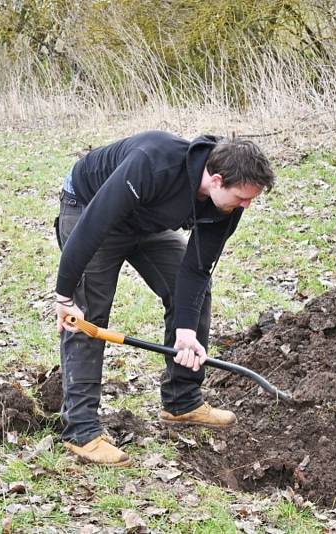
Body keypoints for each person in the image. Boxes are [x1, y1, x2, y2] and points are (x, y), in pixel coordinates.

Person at [53, 130, 275, 466]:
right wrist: (64, 294)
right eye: (242, 198)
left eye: (251, 199)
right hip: (89, 205)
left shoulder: (227, 201)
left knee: (195, 294)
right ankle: (81, 431)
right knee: (89, 313)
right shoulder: (153, 163)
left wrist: (186, 331)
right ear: (216, 180)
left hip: (147, 219)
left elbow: (197, 269)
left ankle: (182, 401)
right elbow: (93, 225)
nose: (246, 205)